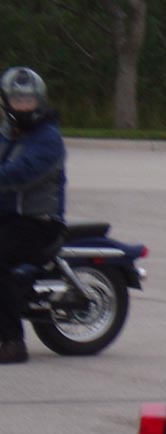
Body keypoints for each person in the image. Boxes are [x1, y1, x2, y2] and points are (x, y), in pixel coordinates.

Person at [0, 66, 66, 365]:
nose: (24, 106)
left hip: (38, 222)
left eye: (29, 100)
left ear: (39, 100)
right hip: (9, 218)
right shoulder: (7, 133)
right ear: (7, 102)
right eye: (18, 100)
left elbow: (20, 174)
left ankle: (13, 342)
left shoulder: (47, 138)